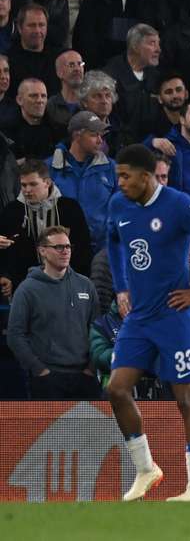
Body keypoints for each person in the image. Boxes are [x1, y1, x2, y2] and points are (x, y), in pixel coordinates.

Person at [105, 143, 190, 502]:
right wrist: (121, 287)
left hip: (175, 316)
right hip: (139, 317)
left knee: (186, 400)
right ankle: (146, 469)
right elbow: (112, 242)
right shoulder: (119, 205)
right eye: (118, 175)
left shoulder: (177, 204)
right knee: (116, 389)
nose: (121, 183)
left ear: (146, 177)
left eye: (126, 176)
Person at [7, 225, 101, 400]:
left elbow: (97, 331)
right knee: (51, 429)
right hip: (48, 379)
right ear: (42, 251)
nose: (65, 251)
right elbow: (14, 335)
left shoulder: (86, 285)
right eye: (58, 247)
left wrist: (91, 368)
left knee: (90, 428)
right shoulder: (27, 289)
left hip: (85, 376)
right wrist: (39, 370)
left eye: (68, 247)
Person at [0, 159, 93, 295]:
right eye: (23, 185)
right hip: (23, 286)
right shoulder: (12, 211)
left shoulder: (69, 208)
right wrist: (5, 275)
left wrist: (78, 282)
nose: (27, 190)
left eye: (33, 184)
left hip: (66, 285)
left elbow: (83, 249)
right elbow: (4, 249)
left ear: (47, 183)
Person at [48, 110, 116, 253]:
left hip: (103, 249)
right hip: (62, 250)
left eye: (101, 135)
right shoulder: (50, 168)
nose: (100, 140)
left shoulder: (112, 168)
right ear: (77, 135)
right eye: (94, 135)